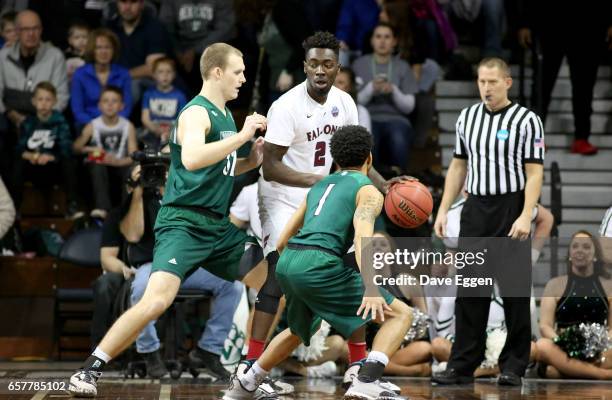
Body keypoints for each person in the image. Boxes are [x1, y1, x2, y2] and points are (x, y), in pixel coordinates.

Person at [68, 42, 267, 397]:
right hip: (185, 223)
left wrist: (251, 161)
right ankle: (90, 369)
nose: (243, 78)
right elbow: (191, 159)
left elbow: (219, 166)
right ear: (217, 72)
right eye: (238, 71)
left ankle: (250, 373)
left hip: (216, 227)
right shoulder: (196, 113)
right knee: (157, 300)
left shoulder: (223, 115)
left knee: (274, 282)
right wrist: (241, 137)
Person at [252, 32, 407, 394]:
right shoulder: (286, 106)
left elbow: (356, 158)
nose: (320, 70)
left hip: (325, 193)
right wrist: (320, 180)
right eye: (314, 63)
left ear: (338, 67)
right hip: (283, 196)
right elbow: (271, 166)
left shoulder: (346, 103)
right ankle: (249, 362)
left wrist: (388, 187)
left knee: (354, 265)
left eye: (328, 64)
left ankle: (356, 364)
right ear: (304, 65)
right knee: (278, 272)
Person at [223, 124, 413, 400]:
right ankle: (366, 380)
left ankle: (247, 381)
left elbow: (282, 239)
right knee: (402, 315)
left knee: (300, 330)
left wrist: (298, 269)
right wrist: (371, 288)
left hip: (290, 262)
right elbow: (362, 238)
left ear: (335, 159)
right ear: (369, 158)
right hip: (320, 263)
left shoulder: (320, 185)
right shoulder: (369, 190)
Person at [432, 57, 545, 387]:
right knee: (470, 292)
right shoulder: (466, 118)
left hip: (512, 207)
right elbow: (457, 166)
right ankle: (462, 364)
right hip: (475, 209)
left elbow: (535, 172)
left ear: (507, 82)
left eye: (493, 82)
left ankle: (513, 365)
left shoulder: (527, 120)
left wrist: (526, 214)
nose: (486, 88)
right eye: (482, 81)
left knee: (514, 292)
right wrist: (443, 209)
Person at [517, 0, 612, 155]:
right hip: (550, 19)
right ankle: (534, 139)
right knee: (542, 84)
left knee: (584, 85)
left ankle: (582, 138)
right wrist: (524, 22)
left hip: (588, 23)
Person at [535, 231, 612, 379]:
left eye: (586, 247)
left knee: (553, 371)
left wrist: (597, 346)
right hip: (563, 349)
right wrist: (564, 342)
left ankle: (571, 370)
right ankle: (603, 374)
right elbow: (545, 326)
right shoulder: (554, 284)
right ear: (569, 254)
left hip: (598, 350)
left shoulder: (609, 286)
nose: (580, 251)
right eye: (575, 246)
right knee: (542, 345)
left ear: (595, 255)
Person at [352, 23, 418, 173]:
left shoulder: (403, 66)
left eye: (387, 37)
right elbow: (352, 102)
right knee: (367, 139)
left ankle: (399, 181)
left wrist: (394, 90)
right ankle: (369, 182)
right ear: (372, 41)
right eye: (378, 36)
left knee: (398, 138)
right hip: (367, 117)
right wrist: (370, 88)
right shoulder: (359, 64)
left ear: (394, 41)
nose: (382, 41)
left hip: (396, 119)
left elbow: (409, 107)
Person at [11, 81, 79, 218]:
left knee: (69, 162)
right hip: (33, 166)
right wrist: (31, 156)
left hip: (53, 167)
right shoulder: (28, 122)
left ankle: (72, 205)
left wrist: (50, 156)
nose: (44, 103)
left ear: (54, 101)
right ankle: (15, 208)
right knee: (17, 163)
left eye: (48, 99)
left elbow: (66, 148)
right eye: (40, 99)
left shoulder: (60, 121)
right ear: (33, 101)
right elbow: (19, 148)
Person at [73, 86, 138, 219]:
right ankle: (102, 208)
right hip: (100, 166)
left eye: (114, 101)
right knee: (96, 165)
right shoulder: (93, 125)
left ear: (121, 106)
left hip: (119, 165)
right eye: (105, 101)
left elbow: (133, 155)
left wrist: (118, 162)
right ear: (99, 105)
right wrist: (91, 149)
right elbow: (76, 147)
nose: (109, 104)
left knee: (131, 169)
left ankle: (128, 209)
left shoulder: (127, 126)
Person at [0, 10, 69, 123]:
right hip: (8, 117)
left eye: (35, 28)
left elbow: (61, 97)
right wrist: (9, 113)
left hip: (44, 119)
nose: (31, 34)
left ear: (41, 30)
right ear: (17, 32)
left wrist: (39, 120)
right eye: (26, 29)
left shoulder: (55, 56)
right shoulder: (3, 56)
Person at [159, 0, 236, 95]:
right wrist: (178, 51)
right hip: (179, 47)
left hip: (211, 47)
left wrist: (196, 50)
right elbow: (165, 27)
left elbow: (225, 29)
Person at [106, 0, 172, 105]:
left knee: (132, 86)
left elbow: (154, 68)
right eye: (123, 2)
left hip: (146, 81)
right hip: (115, 78)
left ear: (141, 4)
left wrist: (122, 75)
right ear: (117, 4)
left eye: (133, 2)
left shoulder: (155, 27)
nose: (127, 7)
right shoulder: (109, 28)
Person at [70, 28, 132, 132]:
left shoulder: (123, 74)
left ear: (114, 50)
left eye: (108, 47)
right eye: (99, 48)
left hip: (116, 125)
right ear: (92, 50)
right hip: (87, 125)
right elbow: (78, 110)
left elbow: (126, 107)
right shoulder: (80, 74)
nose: (104, 52)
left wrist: (112, 124)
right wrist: (96, 126)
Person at [140, 57, 187, 151]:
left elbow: (183, 119)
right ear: (154, 74)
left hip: (172, 131)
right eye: (160, 72)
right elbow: (145, 118)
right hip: (153, 130)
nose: (165, 75)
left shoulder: (179, 95)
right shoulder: (148, 94)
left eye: (168, 72)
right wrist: (156, 130)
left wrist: (171, 132)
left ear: (174, 74)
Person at [334, 66, 371, 133]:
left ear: (350, 87)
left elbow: (364, 141)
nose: (334, 86)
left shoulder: (361, 112)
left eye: (340, 82)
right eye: (332, 82)